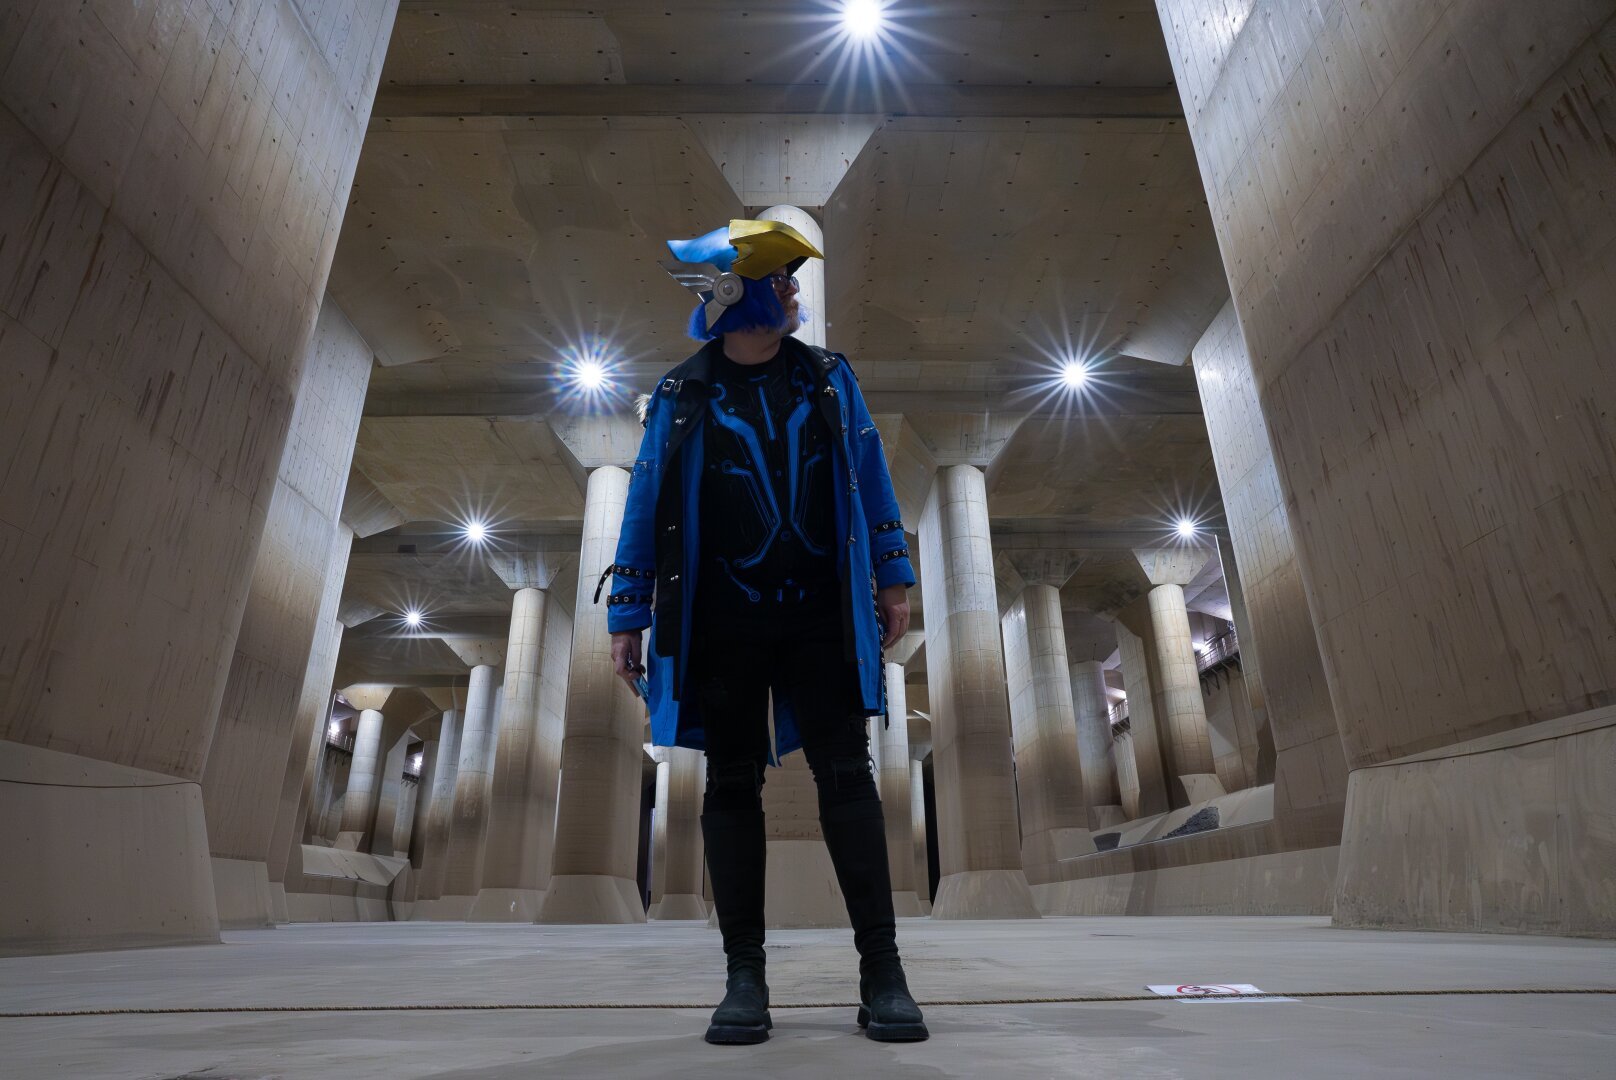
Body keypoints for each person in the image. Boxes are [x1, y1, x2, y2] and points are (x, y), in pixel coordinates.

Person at [597, 219, 928, 1045]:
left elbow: (871, 473)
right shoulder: (680, 395)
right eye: (781, 278)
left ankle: (882, 973)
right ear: (735, 290)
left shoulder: (827, 379)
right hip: (722, 619)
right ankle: (744, 977)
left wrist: (894, 577)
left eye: (792, 279)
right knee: (731, 785)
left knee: (848, 779)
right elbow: (645, 502)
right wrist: (628, 613)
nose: (794, 293)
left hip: (821, 614)